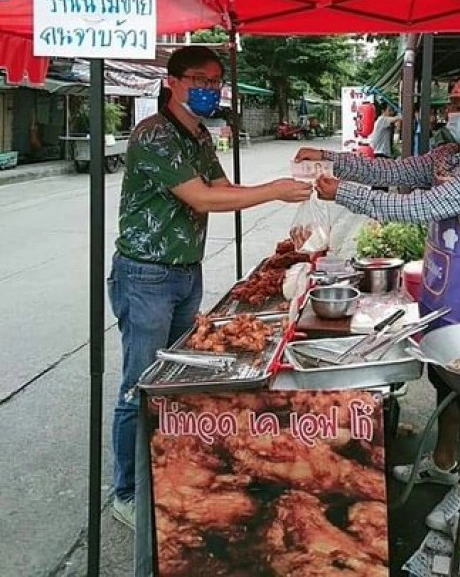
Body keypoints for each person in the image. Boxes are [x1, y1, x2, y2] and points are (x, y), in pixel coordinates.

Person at [295, 73, 460, 535]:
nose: (459, 115)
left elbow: (418, 206)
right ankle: (443, 461)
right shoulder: (450, 154)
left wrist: (345, 193)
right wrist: (329, 158)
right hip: (446, 287)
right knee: (444, 381)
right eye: (455, 105)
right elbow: (392, 172)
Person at [109, 46, 311, 530]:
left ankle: (166, 470)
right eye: (198, 79)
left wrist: (286, 199)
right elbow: (200, 197)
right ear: (172, 82)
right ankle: (128, 491)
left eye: (215, 81)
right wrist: (275, 191)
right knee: (141, 383)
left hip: (185, 273)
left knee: (179, 381)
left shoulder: (198, 135)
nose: (208, 88)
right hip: (147, 276)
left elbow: (224, 189)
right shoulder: (154, 135)